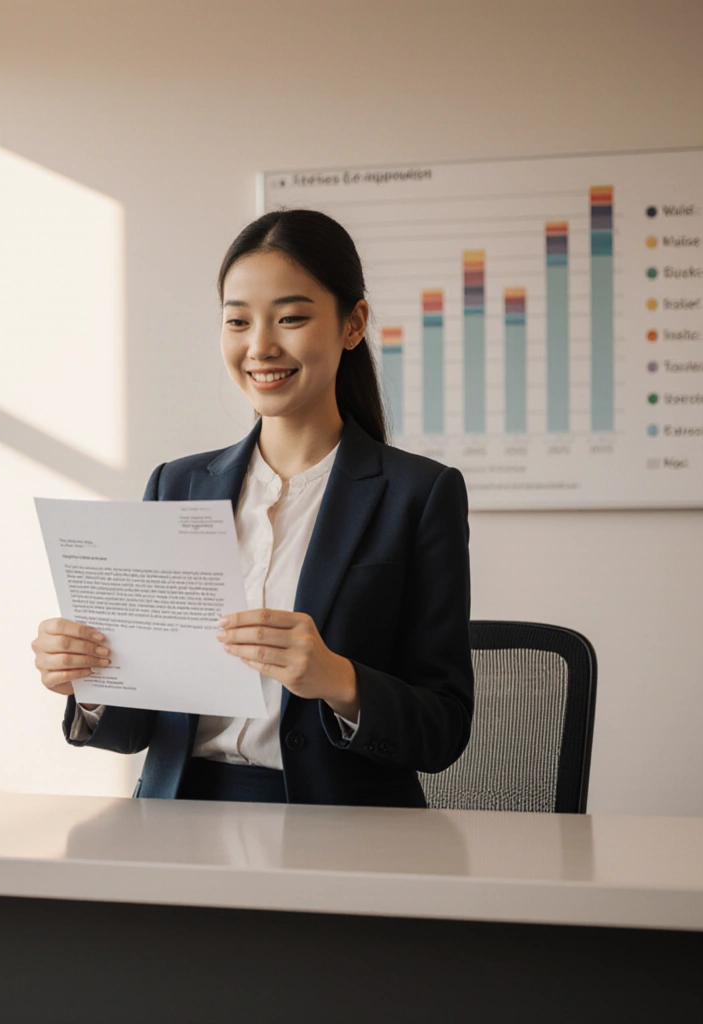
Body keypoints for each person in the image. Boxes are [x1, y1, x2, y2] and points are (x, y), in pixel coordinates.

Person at [31, 209, 473, 807]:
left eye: (290, 318)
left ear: (353, 323)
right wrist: (90, 682)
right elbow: (135, 727)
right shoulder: (177, 485)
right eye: (238, 321)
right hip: (178, 817)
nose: (261, 346)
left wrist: (338, 679)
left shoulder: (419, 495)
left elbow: (444, 729)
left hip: (343, 829)